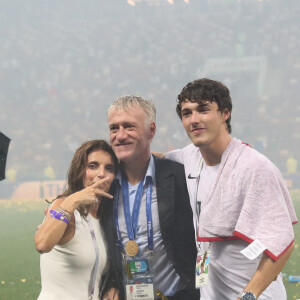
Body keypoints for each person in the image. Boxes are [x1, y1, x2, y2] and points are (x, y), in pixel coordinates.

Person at [163, 78, 297, 300]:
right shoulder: (189, 156)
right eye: (187, 113)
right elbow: (155, 159)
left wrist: (248, 296)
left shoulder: (255, 167)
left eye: (203, 110)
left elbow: (283, 243)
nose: (194, 120)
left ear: (225, 113)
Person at [106, 95, 199, 300]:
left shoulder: (178, 177)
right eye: (114, 128)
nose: (120, 136)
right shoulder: (104, 185)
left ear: (151, 130)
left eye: (129, 127)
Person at [35, 140, 120, 300]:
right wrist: (72, 201)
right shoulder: (64, 206)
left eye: (109, 168)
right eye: (93, 166)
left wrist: (112, 285)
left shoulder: (103, 218)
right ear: (80, 170)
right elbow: (42, 244)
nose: (101, 173)